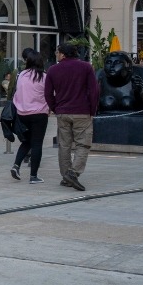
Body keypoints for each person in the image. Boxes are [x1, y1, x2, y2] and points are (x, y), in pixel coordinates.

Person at [44, 43, 100, 191]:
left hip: (62, 112)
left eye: (57, 52)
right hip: (82, 111)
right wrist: (92, 110)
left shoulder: (53, 70)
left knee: (64, 145)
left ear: (63, 54)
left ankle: (66, 176)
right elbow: (94, 91)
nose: (56, 55)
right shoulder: (86, 67)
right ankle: (73, 172)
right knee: (83, 144)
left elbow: (48, 94)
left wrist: (55, 108)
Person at [9, 49, 50, 184]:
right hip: (39, 114)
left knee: (26, 141)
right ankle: (33, 176)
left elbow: (17, 92)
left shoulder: (22, 75)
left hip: (22, 114)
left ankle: (16, 165)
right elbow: (50, 94)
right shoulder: (44, 77)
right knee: (37, 143)